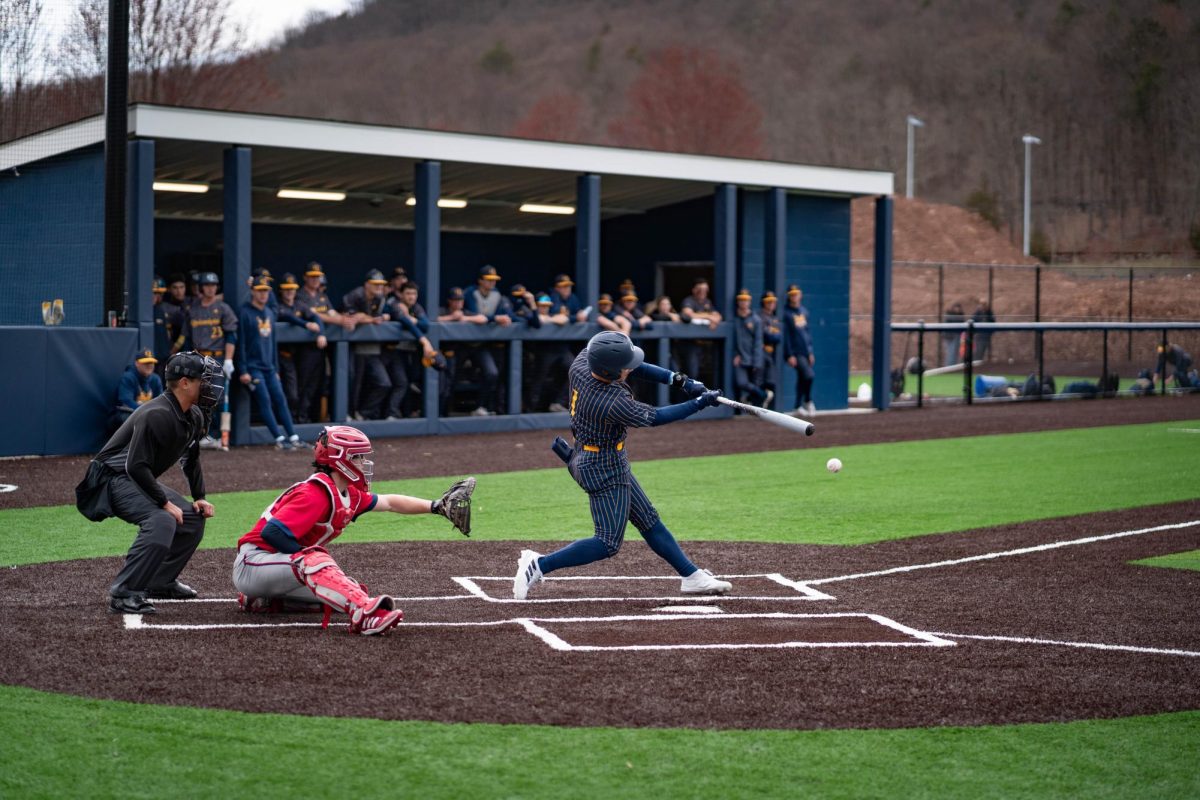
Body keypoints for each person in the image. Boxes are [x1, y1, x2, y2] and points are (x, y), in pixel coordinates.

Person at [513, 331, 730, 600]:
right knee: (607, 542)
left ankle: (691, 576)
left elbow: (633, 365)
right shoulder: (610, 402)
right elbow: (657, 416)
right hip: (602, 467)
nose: (630, 367)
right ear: (612, 372)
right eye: (624, 367)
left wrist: (678, 380)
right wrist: (698, 402)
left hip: (596, 455)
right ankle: (539, 564)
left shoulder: (583, 364)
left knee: (648, 520)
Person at [232, 425, 475, 636]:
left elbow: (390, 502)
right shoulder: (314, 493)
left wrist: (435, 507)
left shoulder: (347, 493)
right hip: (254, 563)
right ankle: (366, 615)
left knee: (345, 590)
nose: (364, 463)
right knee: (318, 563)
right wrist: (307, 558)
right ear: (339, 459)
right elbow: (272, 533)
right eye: (358, 457)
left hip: (275, 568)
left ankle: (264, 601)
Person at [75, 351, 224, 615]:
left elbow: (191, 458)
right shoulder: (156, 413)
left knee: (191, 518)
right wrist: (164, 503)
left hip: (131, 477)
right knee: (161, 519)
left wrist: (199, 496)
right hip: (109, 480)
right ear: (185, 383)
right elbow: (134, 466)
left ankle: (160, 580)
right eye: (204, 380)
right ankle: (124, 592)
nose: (210, 386)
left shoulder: (194, 415)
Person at [236, 275, 304, 450]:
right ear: (252, 291)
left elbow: (273, 343)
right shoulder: (245, 311)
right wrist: (243, 369)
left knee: (280, 399)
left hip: (269, 367)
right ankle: (279, 439)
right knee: (265, 400)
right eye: (259, 291)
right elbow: (241, 343)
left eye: (266, 291)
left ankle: (294, 437)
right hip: (253, 367)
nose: (263, 294)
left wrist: (276, 368)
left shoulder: (270, 312)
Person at [183, 271, 238, 449]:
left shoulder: (223, 308)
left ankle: (214, 434)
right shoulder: (194, 309)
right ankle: (200, 434)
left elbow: (231, 335)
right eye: (207, 285)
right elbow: (186, 337)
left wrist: (229, 360)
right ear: (201, 288)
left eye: (213, 285)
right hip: (198, 357)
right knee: (196, 398)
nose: (210, 289)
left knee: (216, 397)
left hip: (217, 356)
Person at [297, 262, 350, 423]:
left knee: (317, 383)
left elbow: (332, 312)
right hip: (305, 347)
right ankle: (300, 417)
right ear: (305, 277)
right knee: (303, 383)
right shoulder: (300, 295)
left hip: (320, 348)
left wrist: (345, 319)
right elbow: (314, 315)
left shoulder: (322, 296)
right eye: (312, 277)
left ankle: (312, 418)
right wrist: (341, 321)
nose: (315, 280)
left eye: (317, 277)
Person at [382, 280, 439, 419]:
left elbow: (425, 325)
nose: (411, 297)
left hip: (410, 352)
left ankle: (405, 413)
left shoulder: (417, 307)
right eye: (408, 293)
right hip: (392, 351)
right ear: (401, 294)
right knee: (400, 382)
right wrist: (423, 339)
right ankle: (391, 414)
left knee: (411, 381)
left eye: (414, 293)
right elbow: (405, 321)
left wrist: (415, 321)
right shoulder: (394, 304)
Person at [276, 272, 327, 424]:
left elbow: (316, 317)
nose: (289, 292)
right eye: (286, 289)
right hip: (280, 356)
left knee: (303, 388)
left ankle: (300, 417)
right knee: (290, 392)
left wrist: (321, 333)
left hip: (297, 355)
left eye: (292, 289)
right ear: (281, 290)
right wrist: (305, 324)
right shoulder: (277, 306)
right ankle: (288, 420)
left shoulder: (300, 305)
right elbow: (288, 317)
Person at [463, 265, 514, 416]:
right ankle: (442, 413)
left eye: (494, 280)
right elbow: (474, 314)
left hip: (482, 344)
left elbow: (500, 316)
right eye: (488, 280)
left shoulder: (497, 295)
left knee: (492, 373)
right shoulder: (470, 292)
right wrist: (494, 319)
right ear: (480, 280)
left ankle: (481, 407)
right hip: (462, 342)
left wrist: (496, 318)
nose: (492, 283)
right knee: (451, 377)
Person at [342, 269, 393, 420]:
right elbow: (350, 317)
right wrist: (369, 319)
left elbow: (379, 316)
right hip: (348, 345)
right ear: (366, 284)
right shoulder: (355, 295)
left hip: (370, 347)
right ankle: (348, 414)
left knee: (383, 383)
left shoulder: (379, 298)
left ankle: (364, 413)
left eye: (380, 284)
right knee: (352, 382)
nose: (379, 287)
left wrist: (367, 317)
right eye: (375, 284)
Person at [436, 286, 487, 415]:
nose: (458, 303)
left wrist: (464, 318)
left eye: (460, 300)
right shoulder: (442, 310)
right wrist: (451, 317)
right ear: (449, 301)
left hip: (455, 354)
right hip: (438, 354)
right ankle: (434, 414)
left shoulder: (465, 312)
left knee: (450, 385)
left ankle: (445, 413)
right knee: (440, 386)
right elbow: (431, 320)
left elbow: (483, 319)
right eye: (455, 300)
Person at [531, 286, 576, 413]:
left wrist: (550, 319)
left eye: (547, 305)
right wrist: (549, 319)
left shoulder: (551, 315)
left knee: (575, 370)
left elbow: (563, 319)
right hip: (544, 351)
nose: (545, 308)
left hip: (560, 349)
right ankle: (531, 408)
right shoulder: (533, 316)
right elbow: (538, 320)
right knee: (539, 379)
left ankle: (559, 402)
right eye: (541, 305)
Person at [679, 277, 722, 385]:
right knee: (692, 373)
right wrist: (708, 317)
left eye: (705, 290)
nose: (702, 292)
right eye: (700, 289)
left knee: (707, 373)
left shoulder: (707, 302)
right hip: (690, 343)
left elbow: (718, 316)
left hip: (705, 345)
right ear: (694, 290)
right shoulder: (689, 300)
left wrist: (714, 319)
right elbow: (688, 313)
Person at [782, 284, 815, 417]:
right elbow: (787, 336)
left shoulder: (804, 311)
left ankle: (797, 405)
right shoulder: (786, 313)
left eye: (796, 294)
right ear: (789, 296)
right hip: (795, 352)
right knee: (809, 375)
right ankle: (807, 400)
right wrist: (789, 354)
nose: (794, 296)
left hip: (805, 352)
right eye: (792, 294)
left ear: (800, 295)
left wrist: (810, 351)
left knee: (803, 378)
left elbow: (807, 333)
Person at [111, 348, 164, 431]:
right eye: (146, 362)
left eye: (151, 362)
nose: (149, 365)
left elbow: (161, 401)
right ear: (137, 363)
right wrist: (147, 411)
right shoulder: (128, 377)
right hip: (128, 414)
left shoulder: (155, 379)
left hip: (148, 413)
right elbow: (126, 401)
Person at [731, 288, 767, 407]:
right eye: (741, 300)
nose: (743, 302)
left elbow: (758, 342)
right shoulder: (734, 318)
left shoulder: (756, 319)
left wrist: (756, 363)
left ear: (750, 302)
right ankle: (764, 394)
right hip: (740, 358)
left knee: (754, 386)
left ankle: (760, 396)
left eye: (746, 300)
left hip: (752, 358)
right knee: (741, 383)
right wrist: (735, 354)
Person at [757, 290, 781, 408]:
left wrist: (773, 335)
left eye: (773, 302)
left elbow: (778, 336)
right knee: (759, 381)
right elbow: (767, 335)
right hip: (761, 352)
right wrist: (773, 335)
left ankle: (762, 401)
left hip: (770, 352)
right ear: (763, 303)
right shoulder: (760, 316)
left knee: (770, 381)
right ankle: (753, 401)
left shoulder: (774, 318)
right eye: (768, 302)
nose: (771, 304)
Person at [942, 302, 965, 367]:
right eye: (956, 308)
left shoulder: (960, 315)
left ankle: (952, 367)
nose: (957, 309)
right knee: (950, 352)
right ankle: (949, 367)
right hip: (949, 336)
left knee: (954, 353)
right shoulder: (949, 315)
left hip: (956, 336)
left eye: (958, 308)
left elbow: (962, 325)